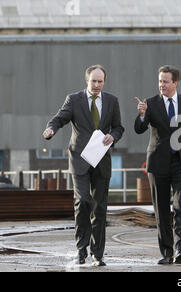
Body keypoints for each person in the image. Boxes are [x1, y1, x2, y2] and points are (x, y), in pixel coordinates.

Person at [43, 65, 124, 266]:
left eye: (100, 81)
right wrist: (51, 129)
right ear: (86, 81)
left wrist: (113, 136)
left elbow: (119, 127)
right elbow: (60, 118)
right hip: (80, 159)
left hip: (101, 159)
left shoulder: (112, 101)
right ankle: (81, 250)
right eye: (93, 81)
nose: (96, 85)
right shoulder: (74, 99)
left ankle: (98, 254)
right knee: (83, 201)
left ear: (104, 81)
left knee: (100, 206)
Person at [134, 65, 181, 265]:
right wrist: (143, 115)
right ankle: (167, 252)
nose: (161, 85)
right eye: (160, 81)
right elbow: (138, 129)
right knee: (161, 210)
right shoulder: (150, 103)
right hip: (158, 163)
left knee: (180, 205)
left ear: (175, 83)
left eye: (165, 81)